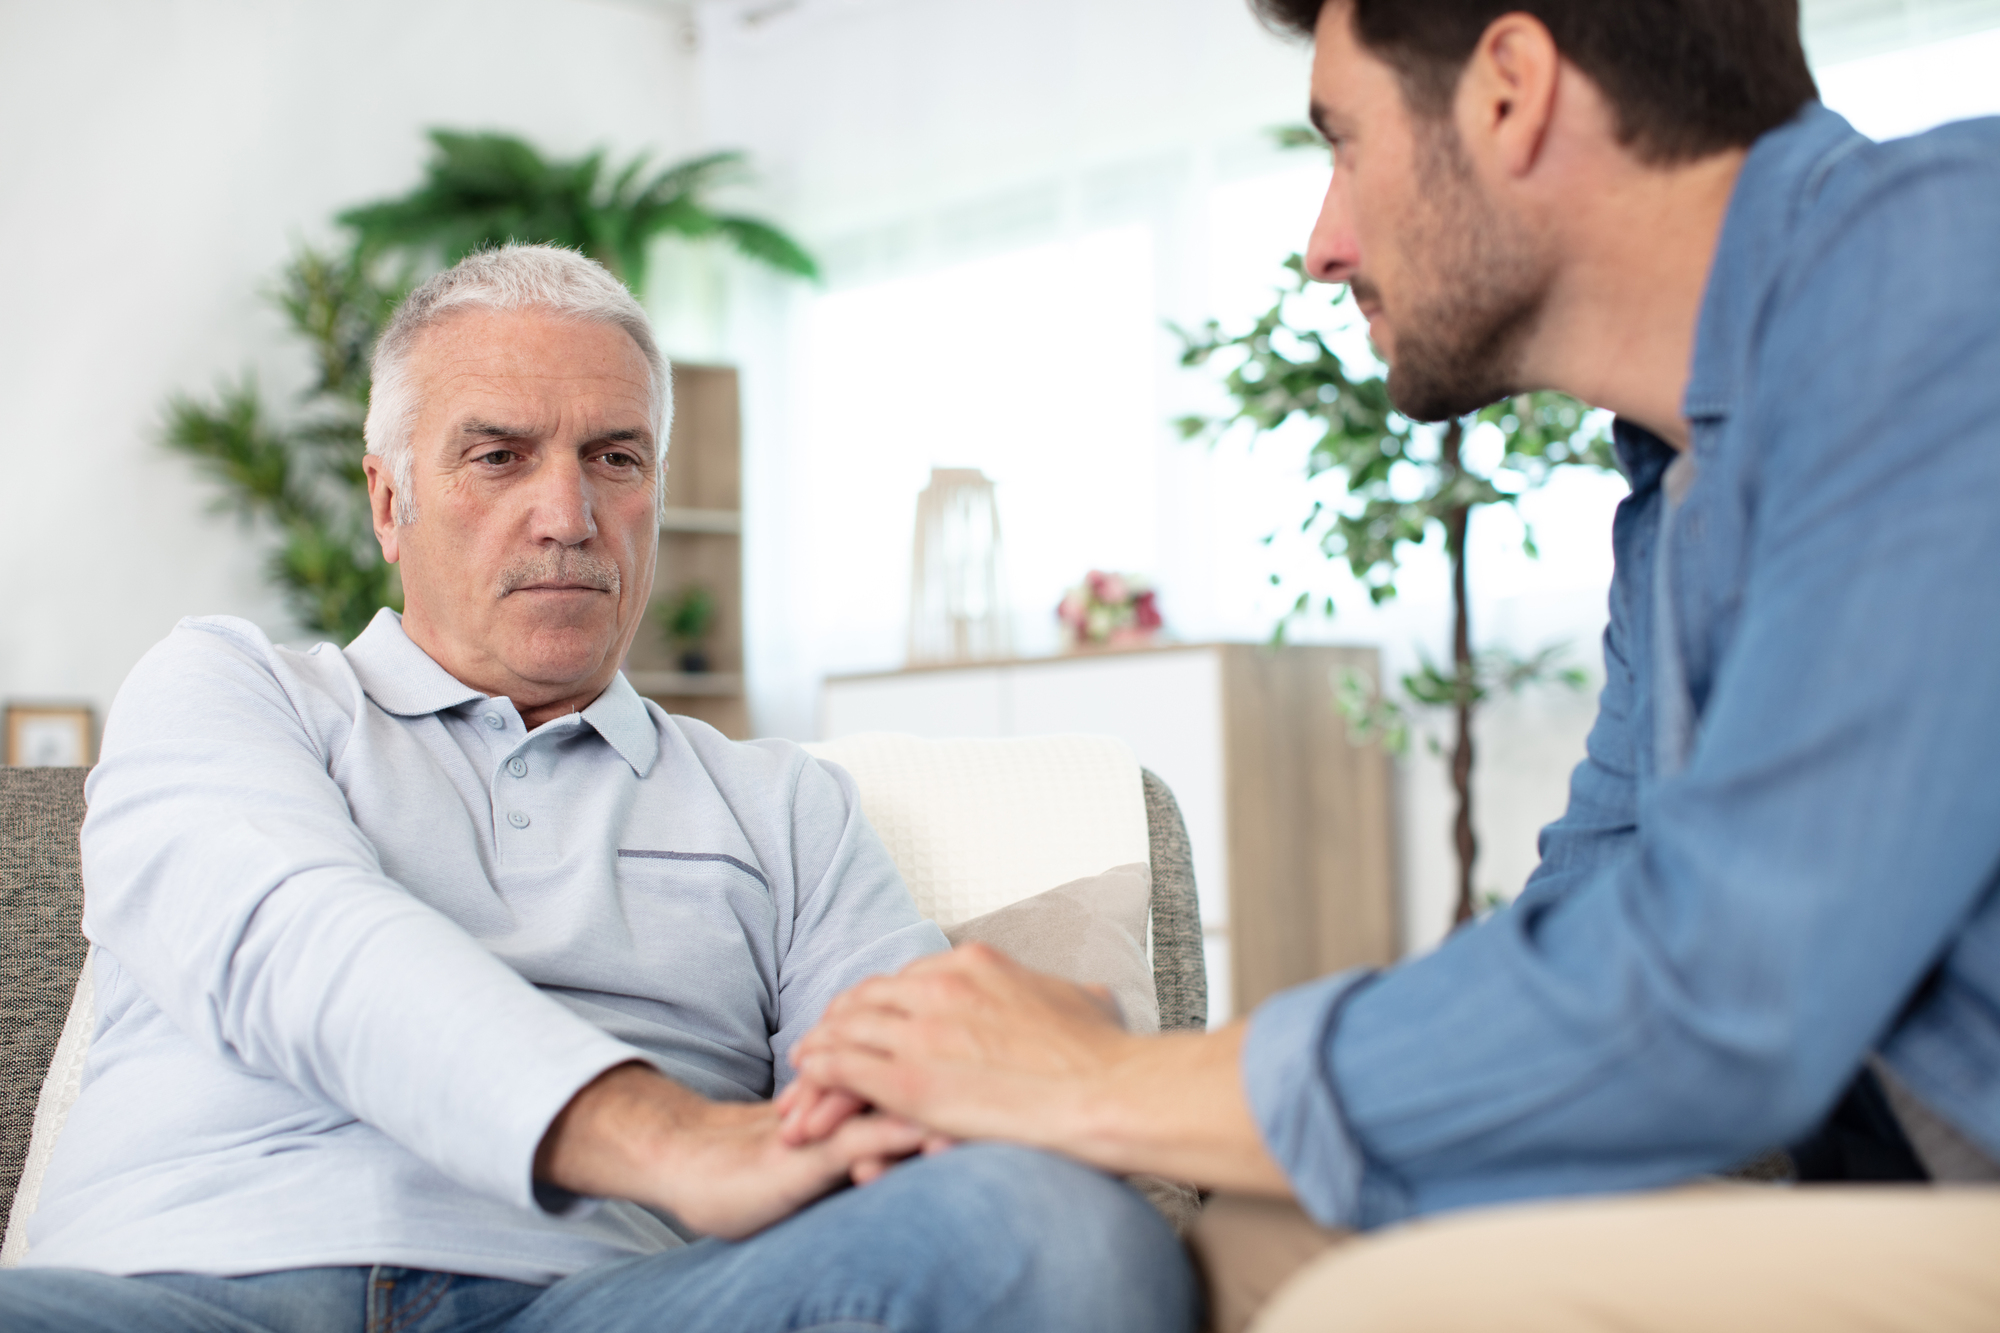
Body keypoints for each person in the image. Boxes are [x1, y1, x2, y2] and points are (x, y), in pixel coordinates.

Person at [783, 2, 2000, 1328]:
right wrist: (1114, 1088)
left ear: (1510, 90)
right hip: (1888, 1198)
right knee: (1263, 1226)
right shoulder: (1679, 498)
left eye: (1344, 145)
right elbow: (1578, 934)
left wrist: (1093, 1081)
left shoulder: (1946, 260)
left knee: (1373, 1308)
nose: (1323, 246)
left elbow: (1715, 990)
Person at [0, 244, 1195, 1333]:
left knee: (1058, 1236)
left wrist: (1002, 1078)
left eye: (612, 459)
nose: (566, 517)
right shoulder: (228, 689)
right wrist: (671, 1137)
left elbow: (898, 1099)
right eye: (496, 456)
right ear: (386, 499)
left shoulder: (780, 805)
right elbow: (297, 940)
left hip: (603, 1308)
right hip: (181, 1291)